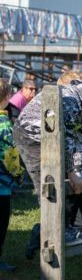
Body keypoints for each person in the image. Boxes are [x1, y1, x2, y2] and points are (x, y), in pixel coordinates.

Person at [14, 80, 82, 258]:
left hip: (55, 140)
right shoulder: (70, 103)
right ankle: (53, 235)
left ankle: (57, 230)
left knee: (71, 187)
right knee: (49, 187)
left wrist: (76, 172)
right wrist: (72, 172)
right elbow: (67, 140)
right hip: (31, 137)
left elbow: (81, 140)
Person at [0, 79, 23, 272]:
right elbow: (10, 156)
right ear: (7, 98)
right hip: (2, 185)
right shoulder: (5, 124)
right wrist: (19, 174)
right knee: (0, 224)